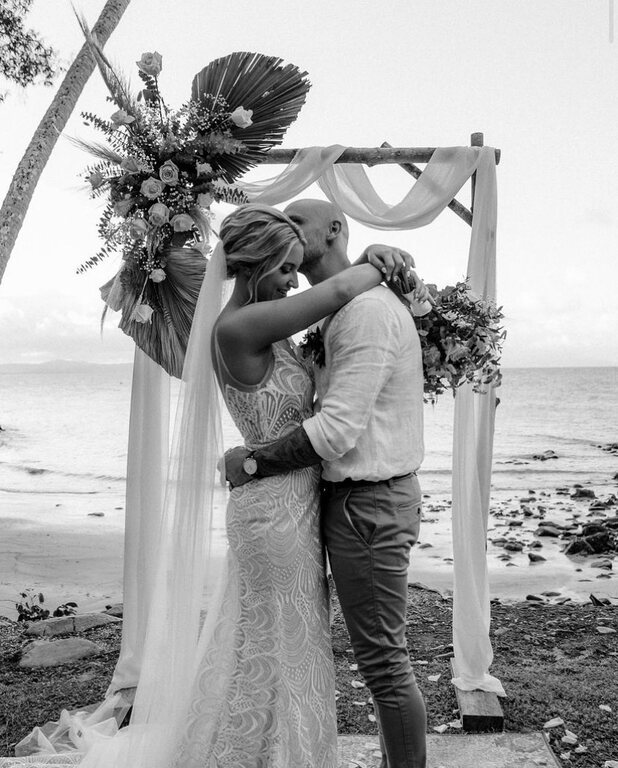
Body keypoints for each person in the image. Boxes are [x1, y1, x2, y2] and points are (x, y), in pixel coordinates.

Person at [225, 199, 428, 768]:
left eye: (299, 224)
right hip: (314, 505)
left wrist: (253, 462)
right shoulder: (317, 313)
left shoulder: (360, 311)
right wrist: (370, 259)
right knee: (285, 646)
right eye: (281, 257)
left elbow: (334, 430)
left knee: (382, 664)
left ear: (334, 230)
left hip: (364, 503)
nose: (290, 236)